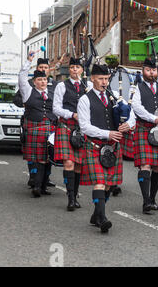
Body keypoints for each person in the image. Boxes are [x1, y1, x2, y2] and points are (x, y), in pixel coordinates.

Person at [77, 63, 135, 234]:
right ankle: (102, 219)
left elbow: (132, 116)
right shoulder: (85, 99)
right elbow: (84, 127)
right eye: (101, 79)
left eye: (106, 79)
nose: (104, 82)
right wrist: (107, 134)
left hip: (113, 147)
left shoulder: (115, 96)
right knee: (100, 182)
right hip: (95, 145)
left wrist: (128, 125)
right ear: (93, 78)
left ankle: (96, 214)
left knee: (109, 184)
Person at [131, 58, 158, 214]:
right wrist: (154, 118)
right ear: (143, 71)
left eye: (154, 70)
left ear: (157, 71)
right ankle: (145, 201)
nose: (151, 73)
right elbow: (137, 107)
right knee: (145, 165)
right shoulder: (137, 88)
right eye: (148, 70)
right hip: (145, 127)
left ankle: (153, 198)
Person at [53, 57, 91, 211]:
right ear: (69, 70)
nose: (75, 70)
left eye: (78, 67)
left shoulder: (88, 85)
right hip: (66, 126)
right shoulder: (62, 86)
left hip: (83, 128)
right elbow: (56, 108)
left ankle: (75, 195)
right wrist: (72, 114)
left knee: (78, 166)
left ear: (82, 70)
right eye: (72, 67)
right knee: (69, 162)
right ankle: (70, 199)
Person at [18, 53, 58, 198]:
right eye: (39, 80)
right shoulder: (28, 92)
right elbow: (22, 77)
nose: (42, 82)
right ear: (34, 82)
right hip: (35, 129)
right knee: (40, 159)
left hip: (51, 129)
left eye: (44, 79)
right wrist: (28, 61)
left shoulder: (53, 93)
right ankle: (36, 186)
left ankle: (42, 186)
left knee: (48, 159)